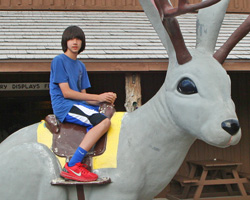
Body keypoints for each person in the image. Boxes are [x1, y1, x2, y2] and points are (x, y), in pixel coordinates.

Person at [49, 26, 117, 182]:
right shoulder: (59, 61)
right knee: (103, 122)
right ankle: (72, 166)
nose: (75, 42)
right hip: (65, 106)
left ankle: (87, 160)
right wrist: (99, 97)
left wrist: (105, 98)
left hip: (79, 105)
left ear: (82, 42)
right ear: (65, 42)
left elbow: (85, 97)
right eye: (71, 39)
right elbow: (66, 92)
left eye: (78, 39)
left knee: (107, 114)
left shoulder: (81, 66)